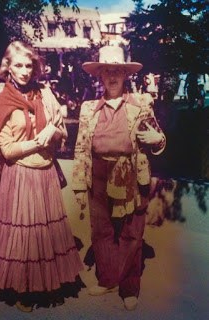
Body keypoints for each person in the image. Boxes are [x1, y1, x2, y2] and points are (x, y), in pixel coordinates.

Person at [0, 41, 83, 312]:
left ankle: (48, 281)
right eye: (18, 65)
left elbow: (62, 132)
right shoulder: (1, 101)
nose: (25, 71)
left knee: (46, 233)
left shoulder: (44, 94)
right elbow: (6, 150)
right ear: (8, 68)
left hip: (46, 173)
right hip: (20, 175)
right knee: (24, 237)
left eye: (29, 65)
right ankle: (23, 287)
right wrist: (38, 142)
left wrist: (53, 131)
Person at [72, 45, 166, 311]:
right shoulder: (88, 108)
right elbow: (80, 147)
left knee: (132, 232)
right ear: (100, 75)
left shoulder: (141, 104)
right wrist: (79, 185)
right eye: (107, 71)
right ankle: (107, 278)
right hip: (98, 175)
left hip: (132, 175)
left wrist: (158, 140)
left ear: (125, 75)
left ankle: (128, 286)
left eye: (117, 71)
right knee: (101, 231)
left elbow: (159, 138)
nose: (112, 76)